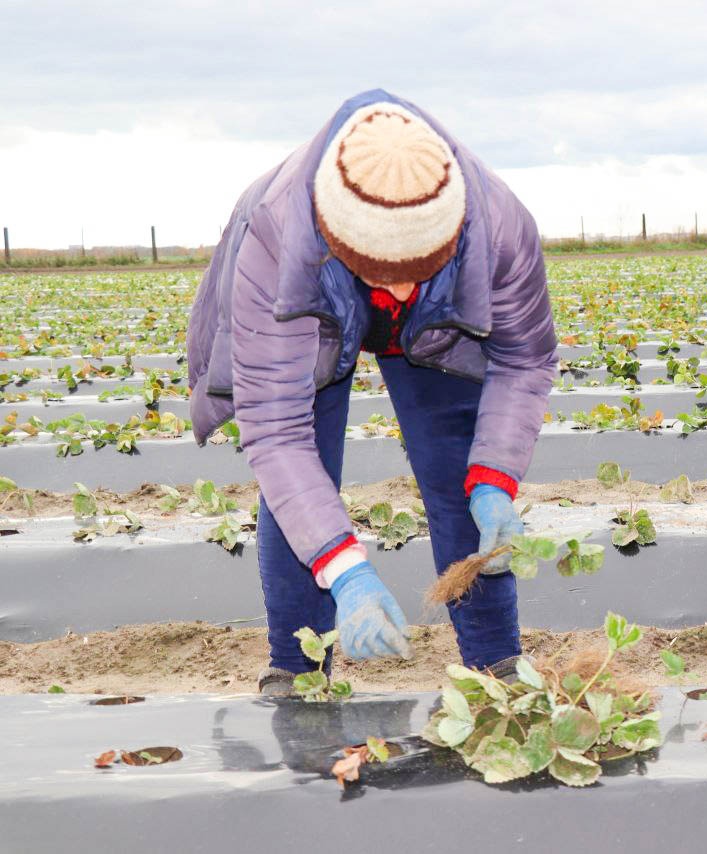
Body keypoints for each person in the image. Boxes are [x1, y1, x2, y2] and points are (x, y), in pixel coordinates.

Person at [186, 90, 557, 694]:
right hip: (310, 305)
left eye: (421, 268)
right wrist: (347, 570)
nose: (404, 289)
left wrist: (495, 478)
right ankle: (296, 668)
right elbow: (278, 434)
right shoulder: (277, 234)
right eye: (387, 273)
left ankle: (494, 660)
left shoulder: (500, 225)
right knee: (303, 479)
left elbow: (525, 358)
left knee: (459, 460)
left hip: (439, 323)